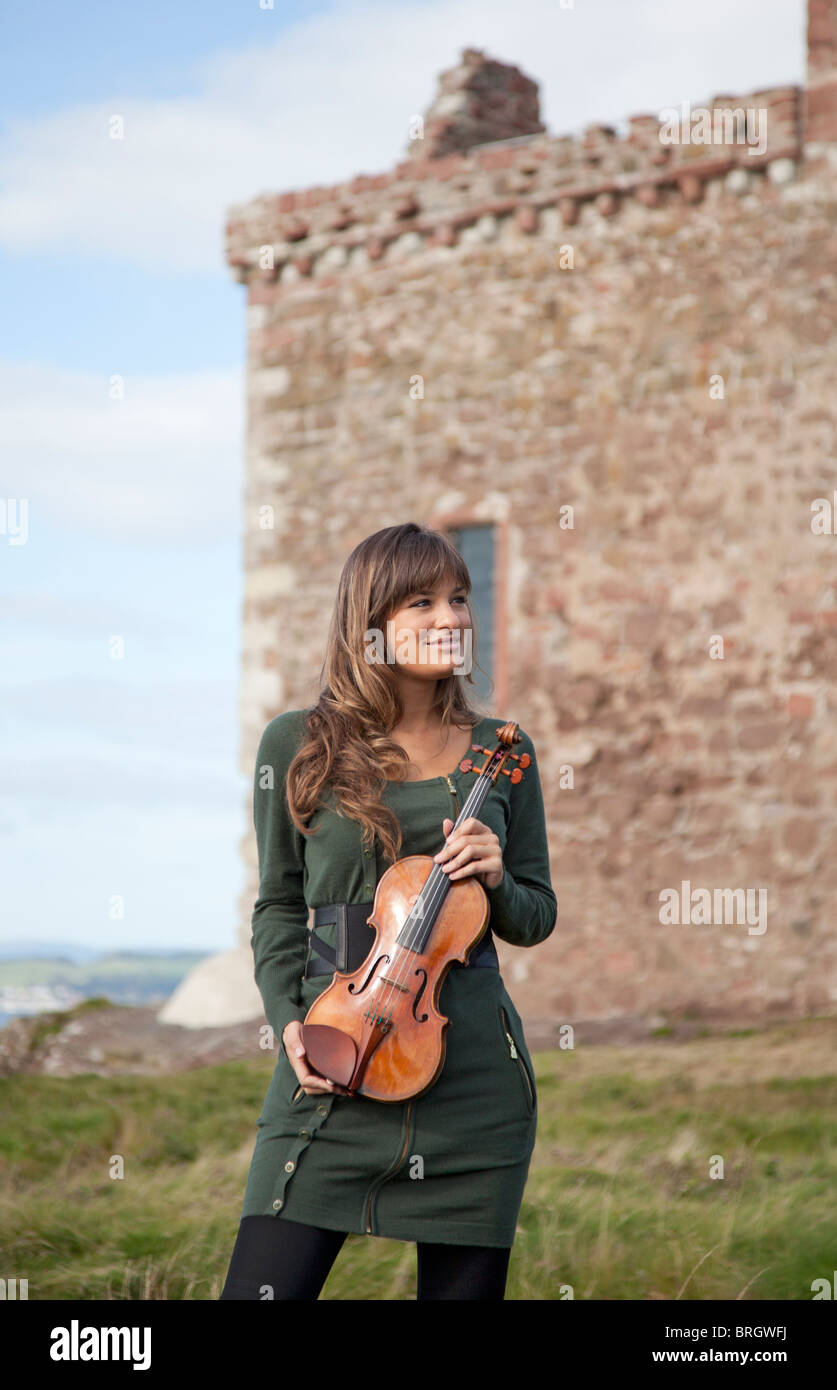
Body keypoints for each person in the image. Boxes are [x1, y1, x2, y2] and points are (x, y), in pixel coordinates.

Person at [219, 521, 557, 1300]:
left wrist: (497, 878)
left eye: (460, 598)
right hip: (332, 1056)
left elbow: (535, 915)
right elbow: (276, 905)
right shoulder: (297, 744)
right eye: (422, 602)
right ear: (369, 624)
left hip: (471, 1080)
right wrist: (289, 1020)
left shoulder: (501, 749)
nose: (452, 618)